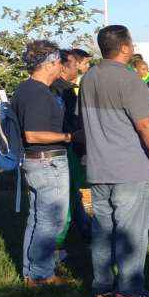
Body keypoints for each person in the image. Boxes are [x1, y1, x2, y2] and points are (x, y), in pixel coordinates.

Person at [79, 25, 149, 297]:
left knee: (102, 230)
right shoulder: (129, 80)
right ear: (126, 48)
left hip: (97, 167)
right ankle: (129, 288)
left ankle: (101, 286)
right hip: (130, 168)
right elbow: (145, 124)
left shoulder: (88, 77)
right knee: (132, 232)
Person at [14, 40, 75, 286]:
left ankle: (32, 271)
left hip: (38, 163)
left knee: (38, 218)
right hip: (47, 162)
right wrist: (67, 136)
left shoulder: (26, 89)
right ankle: (41, 274)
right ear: (49, 64)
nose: (61, 67)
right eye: (59, 62)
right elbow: (33, 134)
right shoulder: (38, 93)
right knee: (52, 219)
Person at [52, 48, 93, 253]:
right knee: (73, 193)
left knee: (75, 193)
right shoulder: (62, 90)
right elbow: (68, 120)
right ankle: (60, 243)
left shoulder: (65, 88)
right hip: (69, 148)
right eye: (82, 64)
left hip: (71, 147)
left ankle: (84, 230)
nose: (83, 68)